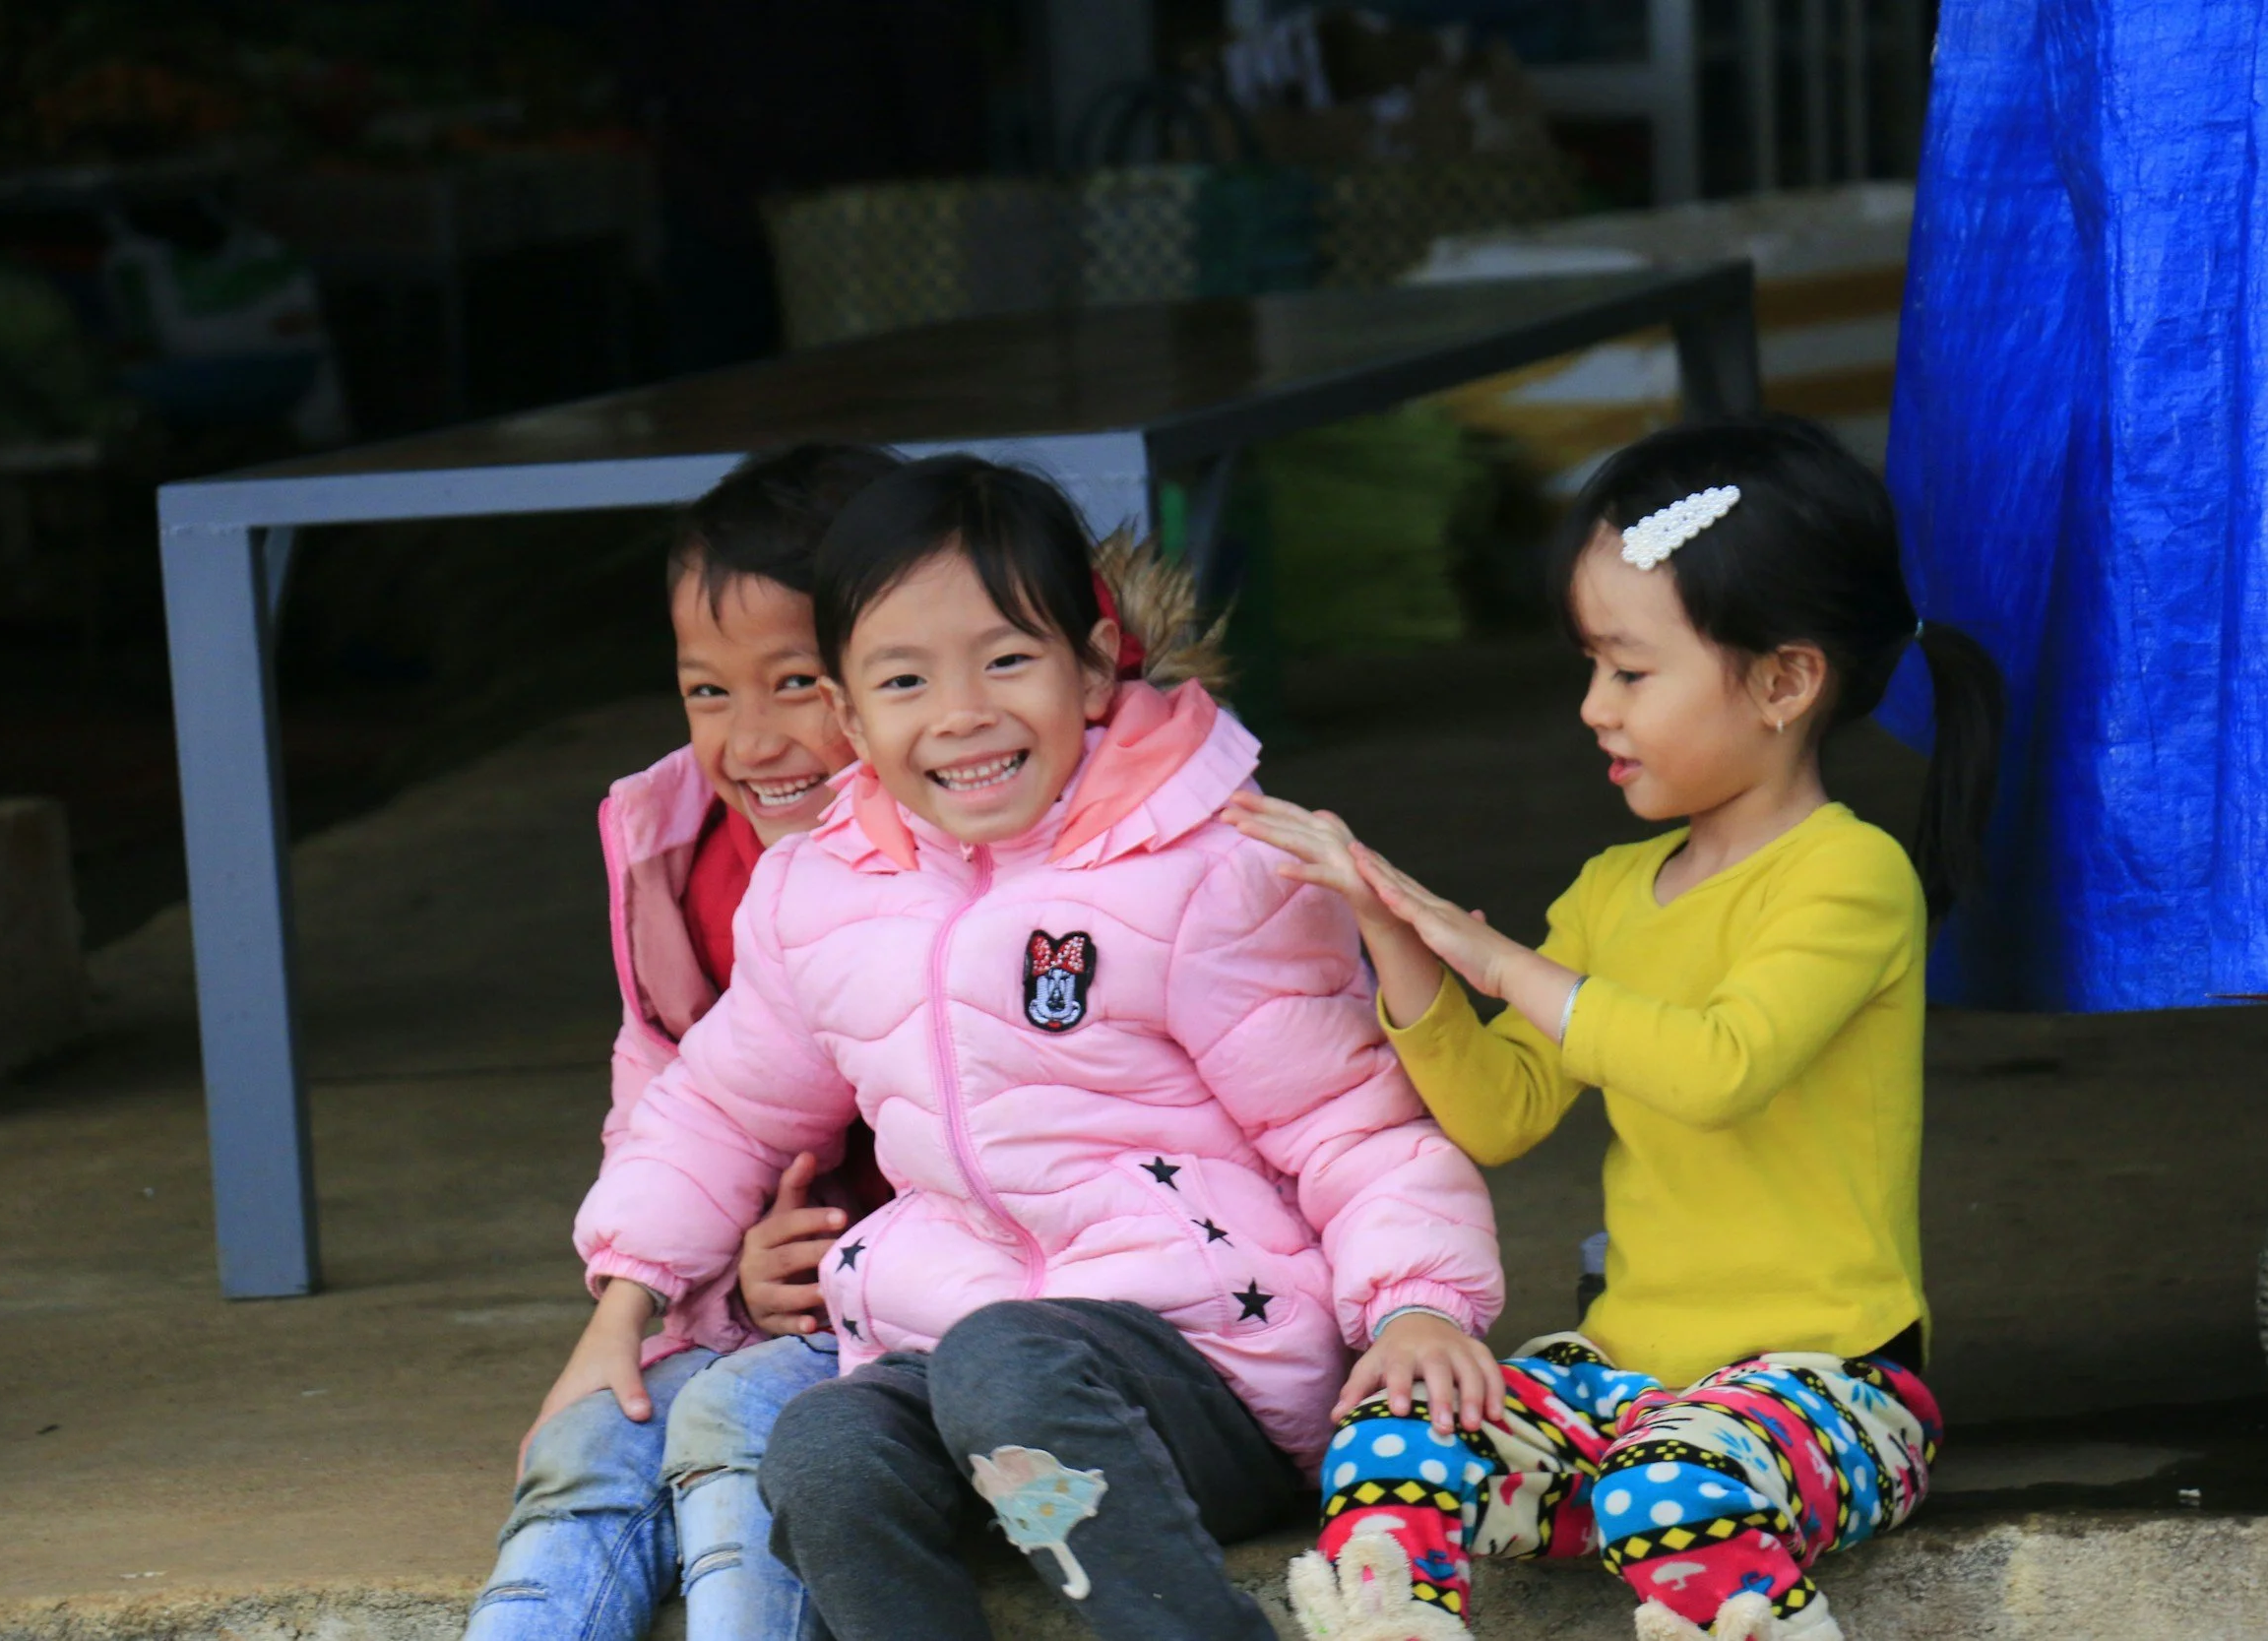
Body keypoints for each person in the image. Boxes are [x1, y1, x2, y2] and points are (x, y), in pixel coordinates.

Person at [572, 455, 1508, 1641]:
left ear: (1096, 657)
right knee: (824, 1442)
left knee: (1005, 1359)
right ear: (854, 716)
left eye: (1007, 660)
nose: (961, 714)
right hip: (976, 1374)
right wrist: (629, 1292)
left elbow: (1346, 1119)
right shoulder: (822, 895)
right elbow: (719, 1104)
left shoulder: (1205, 870)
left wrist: (1416, 1303)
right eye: (905, 679)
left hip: (1209, 1372)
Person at [1230, 418, 2003, 1641]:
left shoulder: (1847, 877)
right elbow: (1499, 1110)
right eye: (1590, 666)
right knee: (1391, 1434)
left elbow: (1713, 1067)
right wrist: (1390, 931)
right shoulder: (1609, 887)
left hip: (1833, 1386)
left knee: (1661, 1491)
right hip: (1627, 1379)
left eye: (1631, 672)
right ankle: (1397, 1622)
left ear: (1783, 681)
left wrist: (1494, 956)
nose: (1593, 706)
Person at [468, 442, 900, 1641]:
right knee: (589, 1440)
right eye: (708, 690)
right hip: (761, 1297)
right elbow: (678, 1108)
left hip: (940, 1317)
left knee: (734, 1438)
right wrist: (668, 1295)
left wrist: (832, 1275)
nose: (749, 739)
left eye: (797, 681)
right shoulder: (688, 857)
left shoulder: (972, 870)